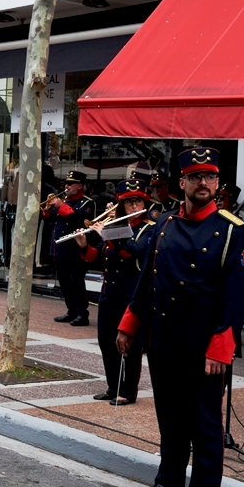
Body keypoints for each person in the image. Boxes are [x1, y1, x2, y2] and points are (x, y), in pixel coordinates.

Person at [117, 147, 244, 487]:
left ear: (217, 182)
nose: (203, 183)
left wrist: (221, 347)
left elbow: (236, 295)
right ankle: (167, 485)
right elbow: (149, 281)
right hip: (163, 339)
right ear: (183, 183)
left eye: (209, 177)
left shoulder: (231, 231)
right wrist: (129, 324)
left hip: (203, 345)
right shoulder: (166, 223)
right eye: (195, 177)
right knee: (170, 418)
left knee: (204, 424)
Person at [74, 180, 153, 406]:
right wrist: (82, 245)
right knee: (106, 341)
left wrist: (110, 236)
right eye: (129, 202)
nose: (134, 206)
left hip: (132, 295)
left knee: (130, 345)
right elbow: (98, 257)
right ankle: (113, 386)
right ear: (122, 205)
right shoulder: (113, 226)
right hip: (110, 293)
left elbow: (134, 252)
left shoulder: (148, 229)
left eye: (138, 201)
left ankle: (128, 391)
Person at [43, 170, 96, 326]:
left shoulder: (87, 203)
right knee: (64, 282)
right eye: (65, 183)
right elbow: (50, 219)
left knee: (76, 282)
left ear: (79, 185)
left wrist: (61, 205)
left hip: (75, 249)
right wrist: (48, 207)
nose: (66, 186)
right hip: (59, 248)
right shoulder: (64, 200)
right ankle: (71, 310)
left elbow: (78, 220)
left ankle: (82, 313)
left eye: (70, 183)